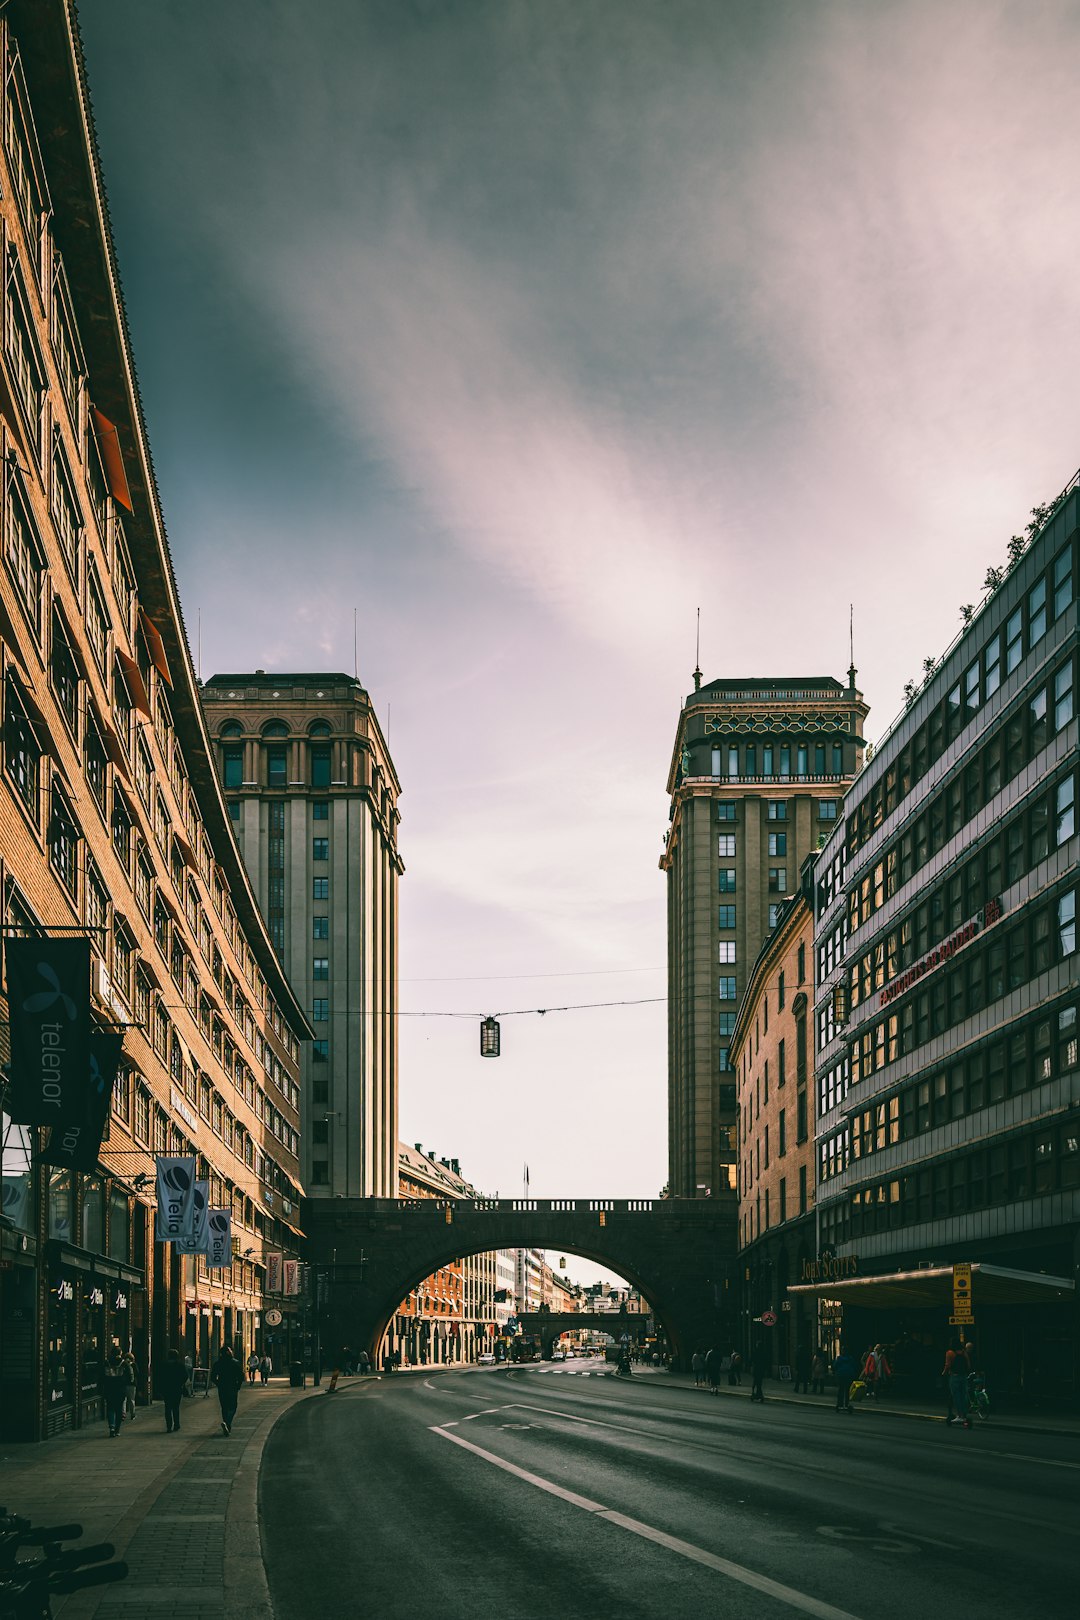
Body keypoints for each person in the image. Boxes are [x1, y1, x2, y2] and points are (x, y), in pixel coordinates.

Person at [211, 1344, 244, 1435]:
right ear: (228, 1352)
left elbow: (213, 1377)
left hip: (222, 1388)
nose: (231, 1352)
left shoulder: (218, 1363)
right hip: (232, 1387)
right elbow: (241, 1376)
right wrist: (238, 1385)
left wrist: (218, 1384)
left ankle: (226, 1424)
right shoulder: (235, 1362)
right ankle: (227, 1422)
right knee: (233, 1406)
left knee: (224, 1407)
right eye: (230, 1351)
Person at [943, 1339, 971, 1429]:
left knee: (956, 1396)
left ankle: (960, 1416)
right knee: (964, 1396)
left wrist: (943, 1373)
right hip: (963, 1376)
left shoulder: (950, 1352)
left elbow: (948, 1365)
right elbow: (968, 1364)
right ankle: (964, 1415)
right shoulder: (963, 1352)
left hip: (954, 1376)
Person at [102, 1349, 130, 1438]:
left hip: (109, 1389)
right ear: (120, 1353)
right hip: (120, 1389)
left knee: (110, 1408)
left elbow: (101, 1376)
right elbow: (130, 1375)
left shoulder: (106, 1363)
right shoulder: (124, 1363)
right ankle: (117, 1430)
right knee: (118, 1410)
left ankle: (112, 1427)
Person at [161, 1348, 187, 1433]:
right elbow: (185, 1376)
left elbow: (160, 1377)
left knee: (167, 1408)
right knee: (176, 1407)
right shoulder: (180, 1365)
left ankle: (169, 1426)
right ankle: (176, 1425)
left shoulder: (164, 1365)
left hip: (167, 1389)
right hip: (177, 1389)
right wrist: (180, 1383)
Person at [833, 1345, 857, 1412]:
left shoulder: (839, 1358)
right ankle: (846, 1404)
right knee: (847, 1390)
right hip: (849, 1375)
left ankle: (840, 1404)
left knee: (841, 1389)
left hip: (841, 1375)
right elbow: (854, 1365)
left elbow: (835, 1366)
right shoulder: (850, 1358)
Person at [123, 1350, 137, 1420]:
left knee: (124, 1399)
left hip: (124, 1384)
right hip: (132, 1384)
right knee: (131, 1400)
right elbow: (137, 1373)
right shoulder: (133, 1365)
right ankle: (132, 1414)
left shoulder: (123, 1364)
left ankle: (123, 1414)